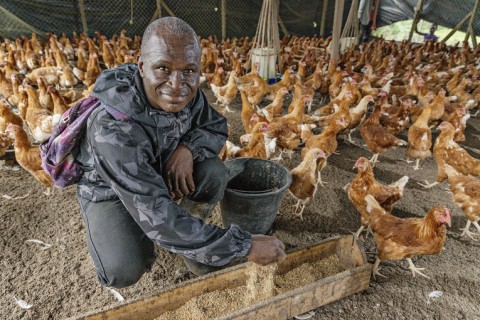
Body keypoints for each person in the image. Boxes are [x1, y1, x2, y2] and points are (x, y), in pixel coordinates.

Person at [75, 17, 286, 288]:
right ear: (141, 67)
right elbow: (154, 211)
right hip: (110, 191)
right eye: (163, 68)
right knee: (123, 269)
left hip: (154, 173)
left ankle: (186, 230)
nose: (176, 84)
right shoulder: (113, 127)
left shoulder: (189, 94)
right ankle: (161, 233)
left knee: (213, 172)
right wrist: (244, 245)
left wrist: (188, 149)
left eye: (188, 71)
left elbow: (215, 126)